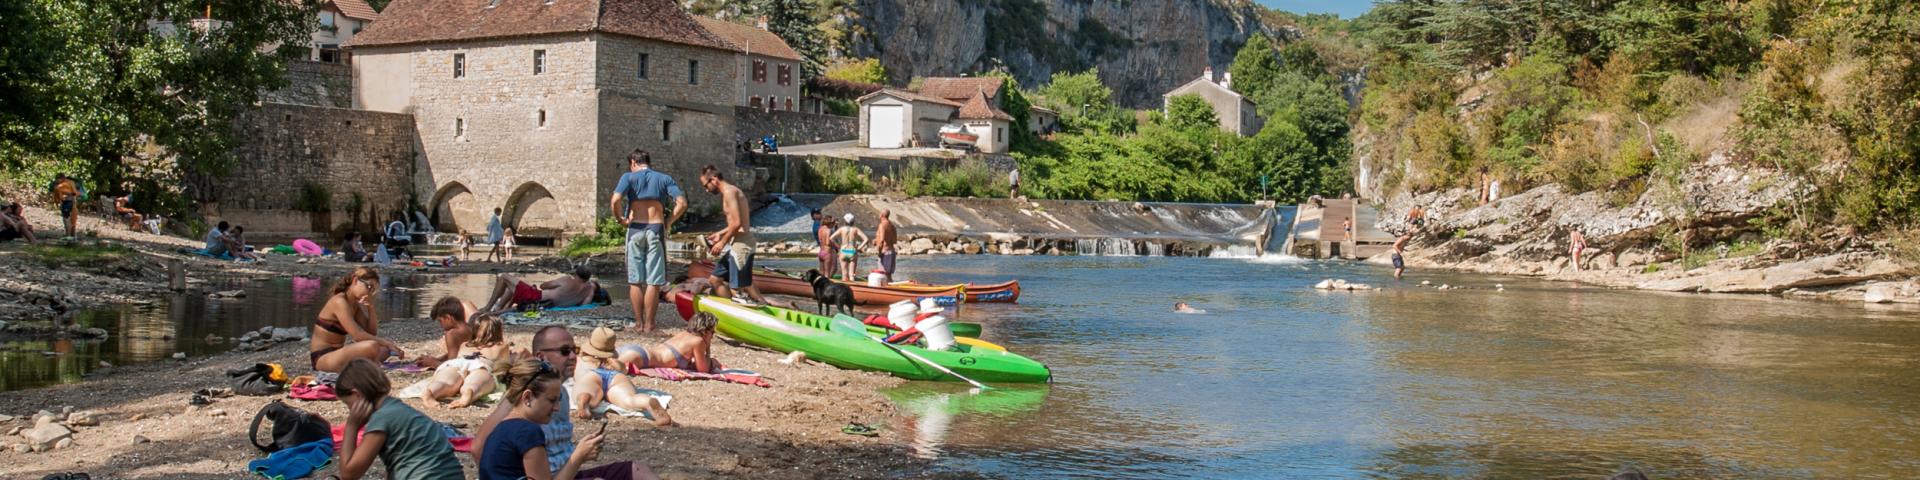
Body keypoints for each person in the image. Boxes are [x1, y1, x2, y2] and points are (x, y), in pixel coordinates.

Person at [475, 326, 660, 480]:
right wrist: (579, 456)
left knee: (637, 470)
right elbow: (479, 447)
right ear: (541, 356)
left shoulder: (558, 392)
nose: (572, 356)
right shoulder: (519, 406)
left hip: (568, 473)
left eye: (575, 350)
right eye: (565, 351)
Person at [475, 358, 610, 480]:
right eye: (551, 400)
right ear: (527, 397)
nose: (557, 408)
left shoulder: (503, 427)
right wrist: (579, 456)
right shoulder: (527, 431)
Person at [335, 358, 465, 480]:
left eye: (348, 404)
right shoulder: (399, 409)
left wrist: (351, 427)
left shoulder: (381, 418)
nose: (351, 411)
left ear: (358, 395)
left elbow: (349, 474)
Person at [609, 149, 686, 332]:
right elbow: (682, 203)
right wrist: (669, 222)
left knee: (635, 280)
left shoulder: (628, 177)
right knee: (654, 280)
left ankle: (638, 324)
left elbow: (615, 200)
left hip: (635, 228)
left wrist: (621, 219)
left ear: (634, 163)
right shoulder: (664, 178)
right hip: (655, 227)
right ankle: (650, 325)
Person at [699, 165, 773, 306]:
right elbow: (735, 222)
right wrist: (719, 234)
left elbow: (738, 223)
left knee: (737, 290)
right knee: (715, 279)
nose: (706, 189)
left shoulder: (729, 192)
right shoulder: (729, 192)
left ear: (714, 179)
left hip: (742, 245)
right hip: (737, 243)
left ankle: (745, 307)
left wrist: (721, 243)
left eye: (705, 185)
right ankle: (733, 308)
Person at [309, 267, 406, 372]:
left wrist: (370, 308)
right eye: (369, 287)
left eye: (372, 290)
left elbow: (371, 333)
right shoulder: (339, 301)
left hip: (338, 353)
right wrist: (388, 343)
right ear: (355, 281)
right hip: (323, 358)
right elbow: (358, 335)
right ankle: (368, 364)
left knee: (384, 350)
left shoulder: (354, 304)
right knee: (373, 346)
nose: (369, 293)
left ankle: (366, 364)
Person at [574, 327, 673, 426]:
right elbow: (623, 370)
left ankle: (586, 399)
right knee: (629, 400)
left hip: (591, 375)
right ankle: (647, 402)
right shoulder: (613, 362)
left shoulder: (581, 360)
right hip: (615, 377)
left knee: (587, 394)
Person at [418, 313, 513, 409]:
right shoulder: (502, 346)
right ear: (499, 331)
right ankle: (469, 392)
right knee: (474, 383)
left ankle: (431, 392)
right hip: (482, 364)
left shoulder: (465, 345)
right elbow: (504, 368)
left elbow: (457, 359)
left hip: (456, 362)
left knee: (445, 382)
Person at [618, 312, 720, 373]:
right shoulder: (698, 341)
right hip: (640, 358)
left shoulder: (683, 334)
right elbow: (703, 369)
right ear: (705, 331)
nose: (713, 336)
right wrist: (708, 349)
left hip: (637, 352)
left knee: (604, 365)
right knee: (606, 371)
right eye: (712, 332)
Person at [482, 267, 599, 314]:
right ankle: (498, 308)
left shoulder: (568, 280)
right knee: (512, 287)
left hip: (536, 297)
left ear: (576, 274)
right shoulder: (589, 291)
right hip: (547, 305)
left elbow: (543, 286)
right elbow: (583, 306)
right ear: (588, 278)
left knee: (504, 277)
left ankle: (488, 307)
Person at [414, 297, 478, 369]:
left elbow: (452, 365)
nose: (441, 325)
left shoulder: (452, 334)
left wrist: (432, 363)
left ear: (448, 318)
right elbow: (458, 352)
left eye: (440, 321)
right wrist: (437, 359)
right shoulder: (470, 328)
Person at [833, 214, 869, 280]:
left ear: (845, 221)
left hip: (843, 251)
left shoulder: (842, 229)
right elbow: (866, 239)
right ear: (853, 221)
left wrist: (838, 246)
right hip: (852, 251)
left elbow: (831, 238)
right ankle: (853, 288)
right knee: (851, 274)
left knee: (844, 274)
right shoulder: (856, 229)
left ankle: (844, 289)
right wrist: (859, 248)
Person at [874, 209, 898, 280]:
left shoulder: (882, 225)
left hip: (885, 252)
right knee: (888, 275)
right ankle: (891, 288)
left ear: (881, 215)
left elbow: (882, 240)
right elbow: (894, 240)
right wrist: (876, 240)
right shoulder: (892, 225)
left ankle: (887, 289)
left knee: (883, 274)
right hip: (891, 251)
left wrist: (879, 252)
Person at [815, 215, 838, 280]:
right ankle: (827, 285)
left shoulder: (820, 229)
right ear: (830, 222)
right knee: (827, 273)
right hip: (827, 253)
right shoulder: (828, 230)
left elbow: (821, 239)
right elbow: (828, 242)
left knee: (821, 272)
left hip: (821, 252)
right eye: (833, 223)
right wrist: (838, 246)